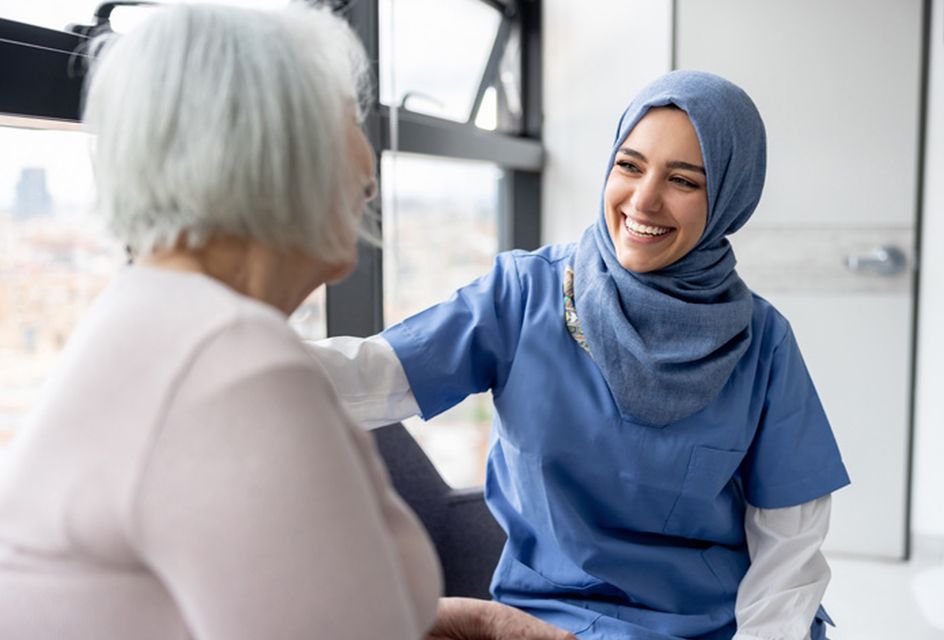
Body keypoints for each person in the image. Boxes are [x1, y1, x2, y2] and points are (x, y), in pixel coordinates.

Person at [310, 70, 851, 639]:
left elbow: (789, 547)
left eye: (684, 181)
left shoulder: (761, 343)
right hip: (544, 619)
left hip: (711, 624)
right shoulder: (521, 295)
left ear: (729, 200)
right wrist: (231, 353)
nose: (643, 200)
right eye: (629, 165)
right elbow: (374, 375)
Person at [0, 4, 446, 639]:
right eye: (349, 118)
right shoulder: (230, 364)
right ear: (277, 144)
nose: (369, 174)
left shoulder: (158, 319)